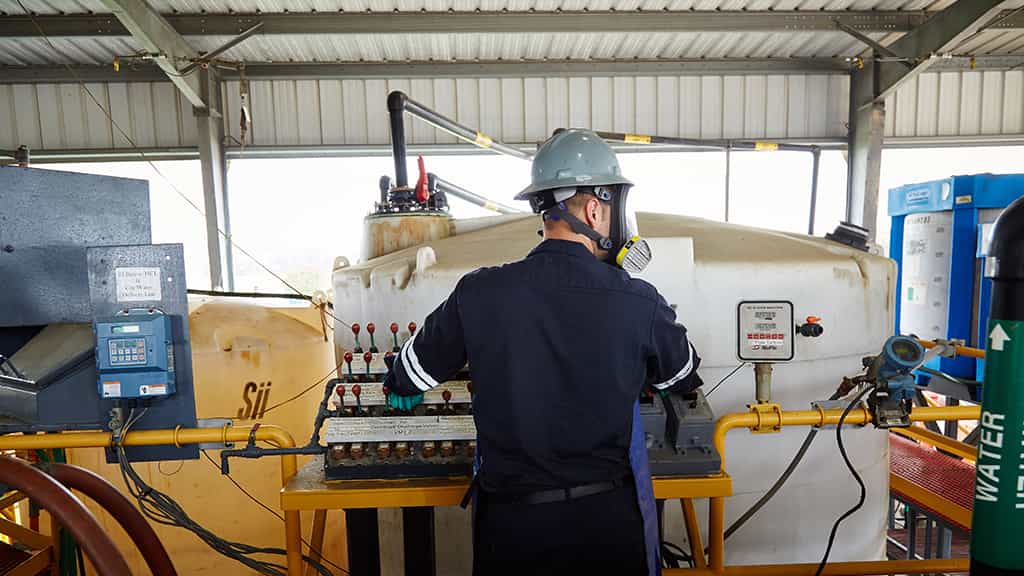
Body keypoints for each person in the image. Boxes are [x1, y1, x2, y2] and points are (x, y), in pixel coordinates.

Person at [384, 129, 702, 576]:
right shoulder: (639, 301)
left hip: (513, 529)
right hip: (606, 524)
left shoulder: (480, 291)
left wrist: (400, 388)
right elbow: (683, 375)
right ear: (595, 207)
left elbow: (409, 375)